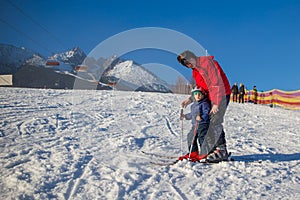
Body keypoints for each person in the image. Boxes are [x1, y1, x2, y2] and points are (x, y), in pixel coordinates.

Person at [177, 50, 231, 162]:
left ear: (193, 56)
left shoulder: (208, 64)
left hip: (221, 94)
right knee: (206, 122)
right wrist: (191, 99)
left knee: (215, 120)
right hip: (211, 96)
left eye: (189, 61)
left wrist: (216, 103)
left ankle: (221, 150)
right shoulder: (195, 71)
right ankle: (208, 150)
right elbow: (201, 89)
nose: (189, 65)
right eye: (186, 64)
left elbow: (216, 83)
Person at [179, 87, 211, 162]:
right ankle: (193, 152)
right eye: (196, 94)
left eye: (199, 94)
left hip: (203, 123)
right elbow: (192, 114)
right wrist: (185, 116)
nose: (198, 96)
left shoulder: (204, 104)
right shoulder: (193, 105)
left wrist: (202, 117)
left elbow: (207, 112)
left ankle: (204, 152)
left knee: (201, 136)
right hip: (195, 125)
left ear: (203, 95)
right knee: (190, 136)